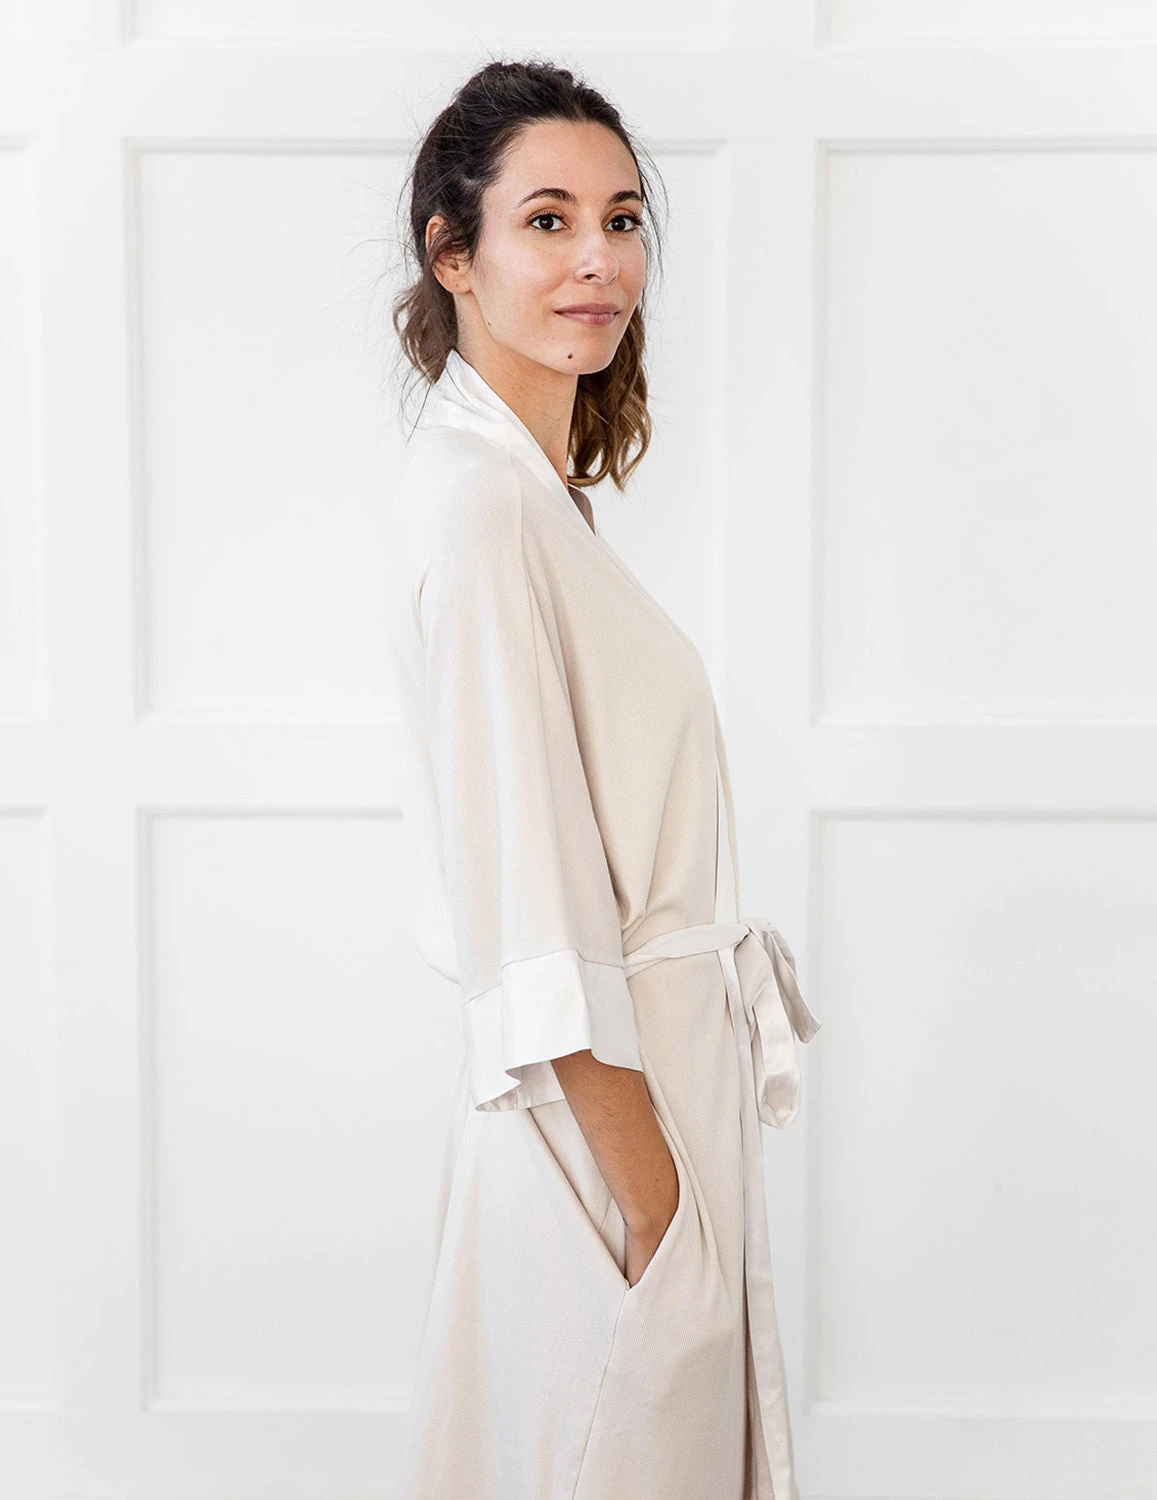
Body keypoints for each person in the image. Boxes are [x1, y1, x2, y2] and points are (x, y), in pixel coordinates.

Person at [383, 57, 822, 1500]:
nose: (599, 259)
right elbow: (536, 909)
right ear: (453, 254)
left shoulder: (530, 497)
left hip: (641, 1093)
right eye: (548, 220)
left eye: (623, 220)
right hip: (601, 1126)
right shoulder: (481, 512)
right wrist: (656, 1207)